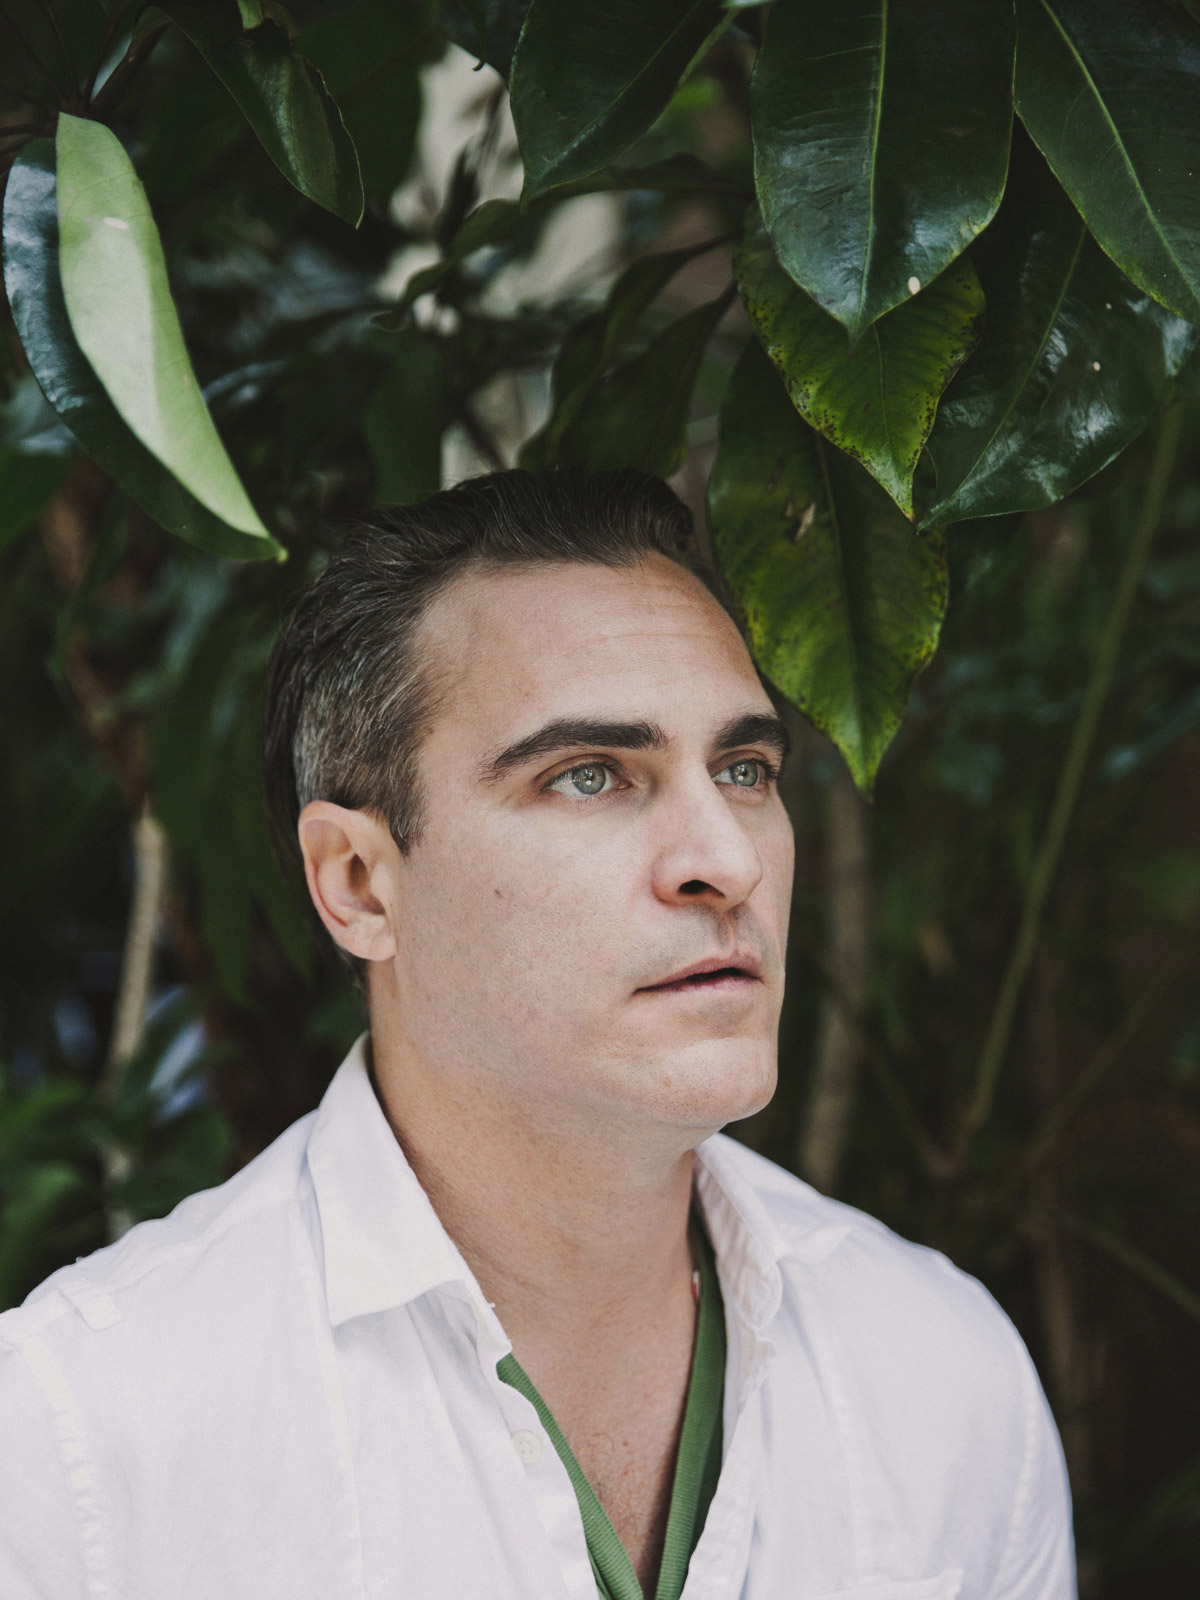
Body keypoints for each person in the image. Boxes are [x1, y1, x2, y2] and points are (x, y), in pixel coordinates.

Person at [0, 470, 1075, 1600]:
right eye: (590, 777)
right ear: (359, 881)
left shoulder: (937, 1375)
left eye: (745, 770)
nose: (728, 860)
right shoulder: (85, 1442)